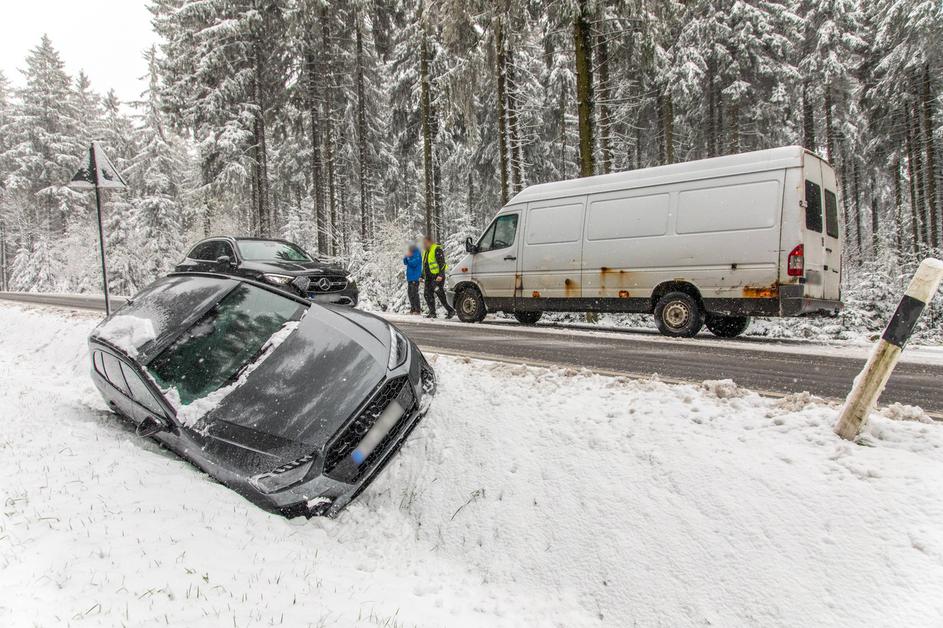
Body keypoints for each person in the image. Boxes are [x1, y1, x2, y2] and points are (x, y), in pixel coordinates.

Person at [422, 236, 455, 319]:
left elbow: (442, 263)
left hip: (437, 277)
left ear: (430, 242)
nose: (424, 244)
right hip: (428, 278)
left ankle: (451, 310)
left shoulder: (436, 249)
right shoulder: (426, 252)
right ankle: (432, 313)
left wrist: (440, 275)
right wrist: (421, 276)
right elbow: (425, 265)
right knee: (427, 294)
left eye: (425, 243)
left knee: (440, 294)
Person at [403, 244, 422, 314]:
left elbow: (414, 263)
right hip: (410, 277)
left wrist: (408, 257)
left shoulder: (417, 253)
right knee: (410, 293)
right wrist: (406, 256)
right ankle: (413, 308)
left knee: (414, 293)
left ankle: (417, 309)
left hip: (415, 277)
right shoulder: (410, 253)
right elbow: (405, 262)